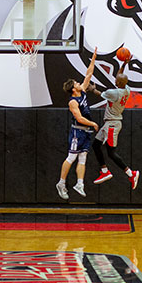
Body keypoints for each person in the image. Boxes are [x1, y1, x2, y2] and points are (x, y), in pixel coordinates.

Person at [88, 55, 140, 189]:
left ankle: (131, 173)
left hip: (112, 124)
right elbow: (120, 76)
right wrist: (124, 64)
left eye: (116, 80)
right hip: (109, 124)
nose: (115, 79)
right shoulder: (126, 89)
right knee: (95, 145)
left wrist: (92, 89)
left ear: (117, 83)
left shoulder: (114, 93)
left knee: (111, 152)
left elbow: (99, 93)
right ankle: (104, 171)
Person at [56, 48, 99, 200]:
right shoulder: (73, 102)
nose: (80, 82)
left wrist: (93, 58)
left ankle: (79, 184)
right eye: (76, 83)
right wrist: (93, 123)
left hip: (86, 132)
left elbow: (89, 73)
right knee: (71, 157)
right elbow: (80, 119)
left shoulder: (83, 91)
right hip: (78, 132)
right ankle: (61, 183)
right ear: (74, 89)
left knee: (83, 158)